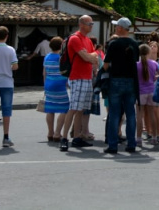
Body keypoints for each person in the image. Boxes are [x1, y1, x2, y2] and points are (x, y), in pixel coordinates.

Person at [60, 15, 100, 152]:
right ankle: (64, 138)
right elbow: (87, 57)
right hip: (77, 77)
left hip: (86, 77)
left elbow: (95, 57)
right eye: (90, 23)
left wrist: (91, 56)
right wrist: (91, 56)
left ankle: (77, 136)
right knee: (74, 108)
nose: (92, 26)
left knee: (81, 108)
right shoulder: (75, 38)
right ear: (82, 24)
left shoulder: (87, 40)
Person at [103, 17, 140, 154]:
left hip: (116, 80)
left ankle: (113, 145)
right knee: (130, 112)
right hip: (131, 80)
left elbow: (106, 64)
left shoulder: (113, 44)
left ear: (119, 28)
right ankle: (131, 143)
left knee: (114, 113)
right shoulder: (134, 44)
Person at [43, 37, 69, 143]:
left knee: (50, 109)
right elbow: (65, 71)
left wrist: (45, 84)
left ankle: (50, 132)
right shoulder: (61, 58)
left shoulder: (47, 57)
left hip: (49, 83)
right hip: (60, 83)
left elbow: (44, 72)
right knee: (65, 108)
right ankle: (57, 133)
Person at [136, 43, 159, 145]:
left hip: (140, 92)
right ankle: (154, 136)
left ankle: (139, 138)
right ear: (149, 52)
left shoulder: (136, 65)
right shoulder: (154, 63)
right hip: (151, 90)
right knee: (152, 115)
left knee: (139, 116)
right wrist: (154, 78)